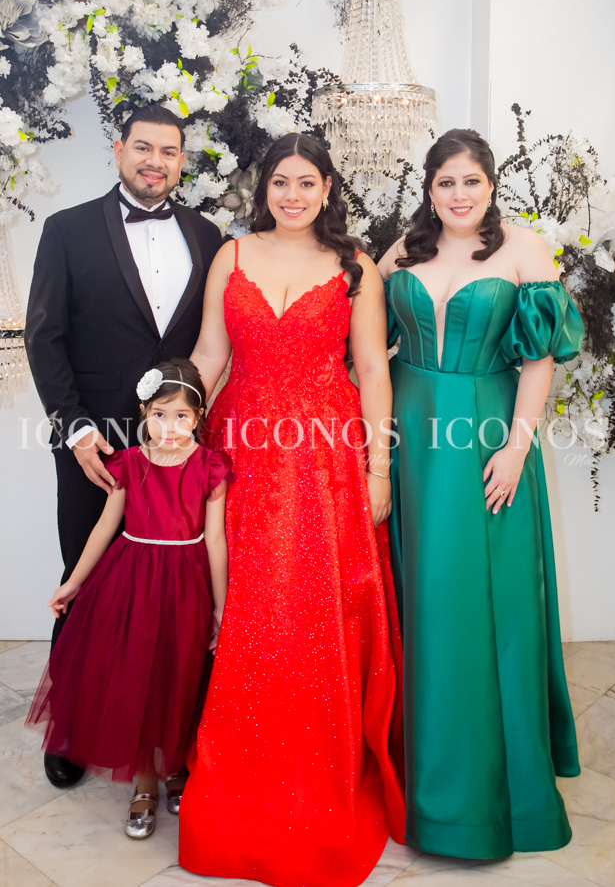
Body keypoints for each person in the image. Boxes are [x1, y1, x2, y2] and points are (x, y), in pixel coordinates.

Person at [178, 133, 406, 887]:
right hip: (242, 448)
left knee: (313, 611)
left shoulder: (354, 266)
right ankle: (238, 771)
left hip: (325, 459)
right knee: (247, 605)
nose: (293, 195)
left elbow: (371, 369)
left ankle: (319, 768)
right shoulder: (232, 256)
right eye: (281, 181)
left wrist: (378, 469)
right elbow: (209, 357)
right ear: (264, 187)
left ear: (328, 188)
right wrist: (170, 437)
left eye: (307, 182)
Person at [378, 128, 584, 860]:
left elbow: (539, 359)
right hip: (408, 437)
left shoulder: (525, 249)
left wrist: (518, 445)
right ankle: (414, 775)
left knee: (484, 601)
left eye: (471, 181)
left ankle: (502, 796)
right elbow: (362, 342)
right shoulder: (401, 253)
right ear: (428, 188)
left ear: (490, 185)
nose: (458, 195)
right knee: (419, 595)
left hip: (489, 436)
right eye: (445, 183)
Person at [24, 104, 221, 789]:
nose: (154, 162)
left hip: (178, 447)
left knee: (173, 596)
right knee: (85, 580)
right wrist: (76, 430)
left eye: (168, 151)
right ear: (118, 149)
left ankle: (164, 728)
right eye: (143, 148)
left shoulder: (207, 235)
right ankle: (71, 728)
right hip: (96, 445)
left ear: (181, 160)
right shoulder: (68, 229)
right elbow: (44, 337)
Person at [26, 359, 233, 839]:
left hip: (186, 584)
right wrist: (74, 581)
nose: (169, 428)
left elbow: (216, 541)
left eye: (181, 416)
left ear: (198, 417)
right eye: (159, 415)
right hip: (133, 583)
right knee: (139, 676)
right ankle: (144, 782)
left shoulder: (210, 468)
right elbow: (104, 527)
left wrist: (220, 605)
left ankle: (176, 768)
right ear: (144, 412)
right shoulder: (130, 464)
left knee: (180, 675)